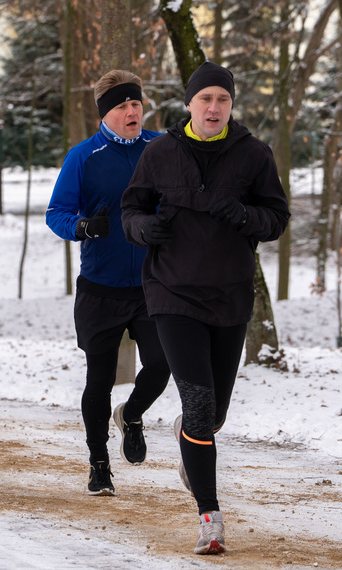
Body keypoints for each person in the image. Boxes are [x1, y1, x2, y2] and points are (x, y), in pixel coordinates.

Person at [121, 62, 290, 554]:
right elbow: (131, 208)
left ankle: (190, 433)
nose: (213, 107)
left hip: (229, 295)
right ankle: (210, 520)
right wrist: (140, 229)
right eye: (205, 99)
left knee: (210, 416)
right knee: (198, 404)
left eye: (222, 99)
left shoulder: (254, 155)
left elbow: (276, 218)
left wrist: (245, 215)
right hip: (172, 293)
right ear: (189, 104)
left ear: (231, 105)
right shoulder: (160, 152)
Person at [46, 70, 172, 496]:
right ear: (106, 113)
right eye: (122, 106)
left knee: (163, 363)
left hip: (153, 283)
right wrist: (83, 226)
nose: (132, 111)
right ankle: (98, 463)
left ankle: (132, 415)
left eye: (136, 103)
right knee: (99, 379)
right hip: (100, 286)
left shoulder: (161, 147)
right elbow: (56, 214)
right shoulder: (84, 156)